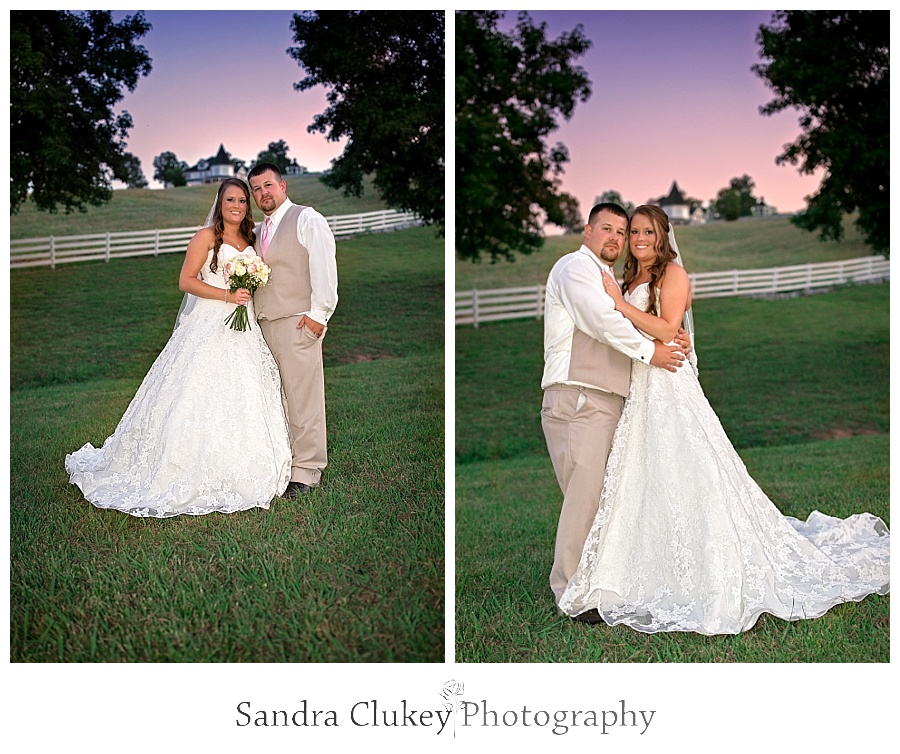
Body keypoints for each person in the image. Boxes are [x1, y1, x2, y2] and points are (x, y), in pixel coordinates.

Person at [558, 205, 890, 634]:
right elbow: (628, 332)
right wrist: (625, 302)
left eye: (647, 231)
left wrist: (621, 305)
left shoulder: (672, 275)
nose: (638, 238)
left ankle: (709, 560)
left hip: (668, 385)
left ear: (663, 237)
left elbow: (666, 329)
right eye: (632, 231)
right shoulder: (629, 278)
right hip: (639, 389)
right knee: (645, 476)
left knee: (690, 469)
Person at [65, 178, 291, 517]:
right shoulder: (205, 237)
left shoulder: (250, 239)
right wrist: (228, 295)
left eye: (243, 200)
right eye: (230, 199)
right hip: (209, 322)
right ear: (219, 202)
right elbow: (186, 280)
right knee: (193, 391)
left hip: (243, 327)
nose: (237, 205)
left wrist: (247, 288)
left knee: (243, 390)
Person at [541, 202, 688, 618]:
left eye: (623, 233)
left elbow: (652, 319)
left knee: (604, 497)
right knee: (585, 498)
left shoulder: (613, 277)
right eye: (608, 229)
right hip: (579, 395)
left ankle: (600, 577)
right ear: (587, 231)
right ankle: (571, 592)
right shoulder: (576, 269)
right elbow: (601, 322)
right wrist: (653, 352)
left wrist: (673, 339)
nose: (618, 239)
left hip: (610, 399)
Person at [247, 163, 338, 499]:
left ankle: (307, 472)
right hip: (265, 326)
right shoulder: (257, 232)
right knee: (275, 401)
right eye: (256, 189)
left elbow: (324, 268)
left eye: (268, 185)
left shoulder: (306, 218)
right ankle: (284, 463)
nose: (262, 194)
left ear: (282, 186)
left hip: (299, 322)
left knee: (303, 401)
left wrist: (319, 315)